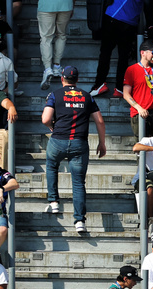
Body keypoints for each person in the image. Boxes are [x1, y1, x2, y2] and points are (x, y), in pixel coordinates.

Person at [41, 65, 105, 235]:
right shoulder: (87, 96)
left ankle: (54, 202)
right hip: (79, 143)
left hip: (58, 140)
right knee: (78, 183)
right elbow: (99, 121)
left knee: (52, 166)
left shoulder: (54, 94)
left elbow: (45, 118)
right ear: (77, 80)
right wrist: (102, 143)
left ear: (62, 79)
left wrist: (52, 127)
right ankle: (79, 221)